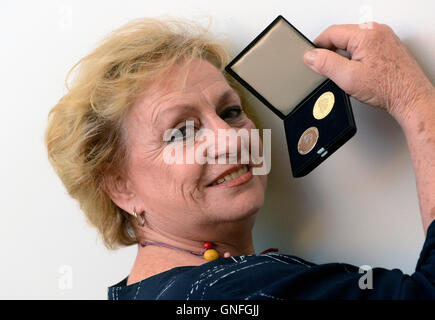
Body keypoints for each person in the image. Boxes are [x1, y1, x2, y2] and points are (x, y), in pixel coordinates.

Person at [45, 17, 435, 300]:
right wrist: (410, 94)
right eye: (182, 131)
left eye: (231, 112)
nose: (229, 139)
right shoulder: (240, 290)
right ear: (120, 186)